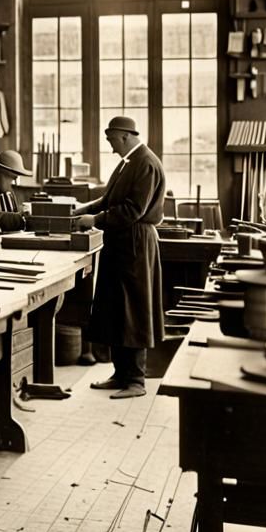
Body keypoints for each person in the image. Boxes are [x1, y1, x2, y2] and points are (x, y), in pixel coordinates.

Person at [72, 116, 165, 398]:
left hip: (135, 243)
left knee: (133, 310)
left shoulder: (145, 163)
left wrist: (95, 220)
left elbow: (133, 210)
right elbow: (108, 200)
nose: (111, 147)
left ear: (125, 136)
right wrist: (80, 210)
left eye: (112, 140)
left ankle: (136, 381)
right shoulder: (128, 163)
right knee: (116, 309)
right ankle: (120, 374)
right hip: (121, 242)